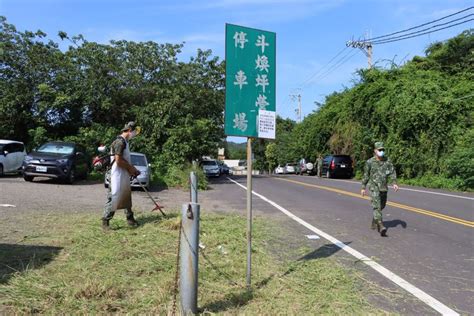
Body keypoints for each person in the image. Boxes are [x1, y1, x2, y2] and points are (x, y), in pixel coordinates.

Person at [102, 121, 141, 230]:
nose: (135, 134)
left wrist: (132, 169)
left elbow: (124, 159)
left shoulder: (125, 141)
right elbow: (118, 160)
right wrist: (130, 168)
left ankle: (130, 219)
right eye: (134, 132)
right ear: (129, 130)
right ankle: (105, 221)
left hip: (122, 172)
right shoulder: (120, 142)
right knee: (114, 197)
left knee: (125, 195)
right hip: (115, 174)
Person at [361, 142, 399, 237]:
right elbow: (366, 175)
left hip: (383, 187)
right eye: (380, 150)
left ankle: (375, 219)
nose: (381, 151)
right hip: (374, 186)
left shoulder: (387, 161)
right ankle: (381, 226)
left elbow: (392, 172)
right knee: (377, 206)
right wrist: (363, 187)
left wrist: (394, 183)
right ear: (375, 151)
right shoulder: (369, 162)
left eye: (383, 150)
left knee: (382, 205)